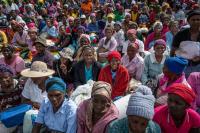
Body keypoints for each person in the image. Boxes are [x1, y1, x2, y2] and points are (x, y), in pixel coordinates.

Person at [170, 10, 200, 78]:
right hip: (182, 66)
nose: (196, 21)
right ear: (188, 21)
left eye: (198, 19)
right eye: (193, 20)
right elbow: (173, 51)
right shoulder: (180, 34)